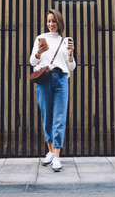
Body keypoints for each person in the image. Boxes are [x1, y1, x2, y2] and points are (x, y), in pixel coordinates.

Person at [30, 9, 76, 172]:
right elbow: (32, 61)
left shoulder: (65, 41)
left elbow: (71, 67)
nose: (50, 24)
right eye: (48, 21)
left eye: (53, 21)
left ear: (59, 23)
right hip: (44, 79)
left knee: (60, 116)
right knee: (46, 115)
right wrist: (38, 52)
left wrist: (70, 54)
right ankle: (50, 151)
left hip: (62, 79)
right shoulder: (40, 38)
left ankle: (57, 156)